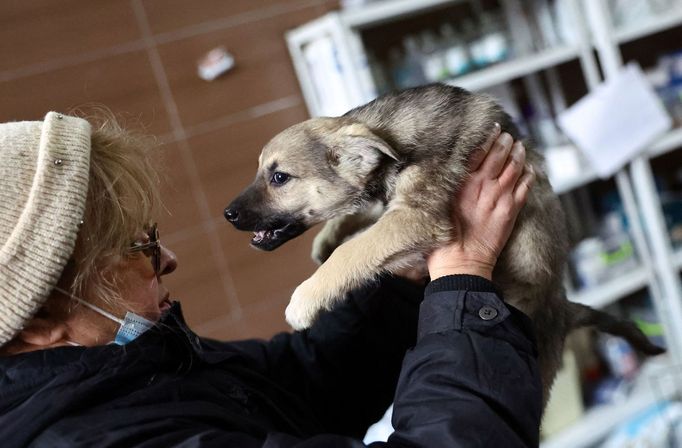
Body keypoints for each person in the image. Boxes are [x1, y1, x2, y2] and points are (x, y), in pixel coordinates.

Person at [0, 112, 540, 447]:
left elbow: (308, 380)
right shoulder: (101, 438)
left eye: (153, 234)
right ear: (44, 319)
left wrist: (402, 272)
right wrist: (463, 283)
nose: (167, 259)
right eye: (135, 248)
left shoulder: (139, 366)